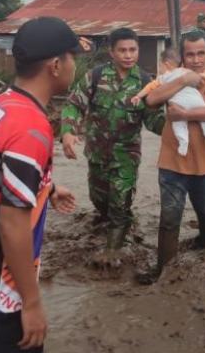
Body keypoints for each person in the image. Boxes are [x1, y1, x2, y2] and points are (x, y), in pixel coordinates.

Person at [0, 17, 79, 353]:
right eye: (71, 57)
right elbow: (12, 223)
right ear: (55, 65)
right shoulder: (32, 129)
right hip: (1, 291)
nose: (73, 65)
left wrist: (46, 188)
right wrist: (32, 303)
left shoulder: (3, 104)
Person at [60, 28, 165, 268]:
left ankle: (113, 248)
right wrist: (67, 132)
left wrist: (174, 124)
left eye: (133, 50)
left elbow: (153, 120)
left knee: (120, 203)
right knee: (99, 200)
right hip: (97, 154)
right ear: (112, 51)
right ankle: (112, 220)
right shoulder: (95, 77)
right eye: (123, 50)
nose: (128, 55)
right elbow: (74, 105)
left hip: (126, 157)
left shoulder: (146, 82)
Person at [138, 31, 205, 283]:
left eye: (200, 53)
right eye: (190, 54)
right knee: (169, 219)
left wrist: (184, 116)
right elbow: (151, 99)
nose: (195, 59)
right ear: (182, 56)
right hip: (173, 159)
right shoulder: (173, 77)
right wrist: (183, 81)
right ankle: (163, 272)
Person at [131, 48, 205, 156]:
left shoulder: (163, 77)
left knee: (178, 122)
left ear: (166, 64)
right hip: (196, 101)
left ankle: (183, 141)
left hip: (179, 105)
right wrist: (204, 76)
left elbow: (149, 88)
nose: (160, 69)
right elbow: (200, 77)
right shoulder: (186, 71)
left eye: (160, 66)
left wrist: (138, 96)